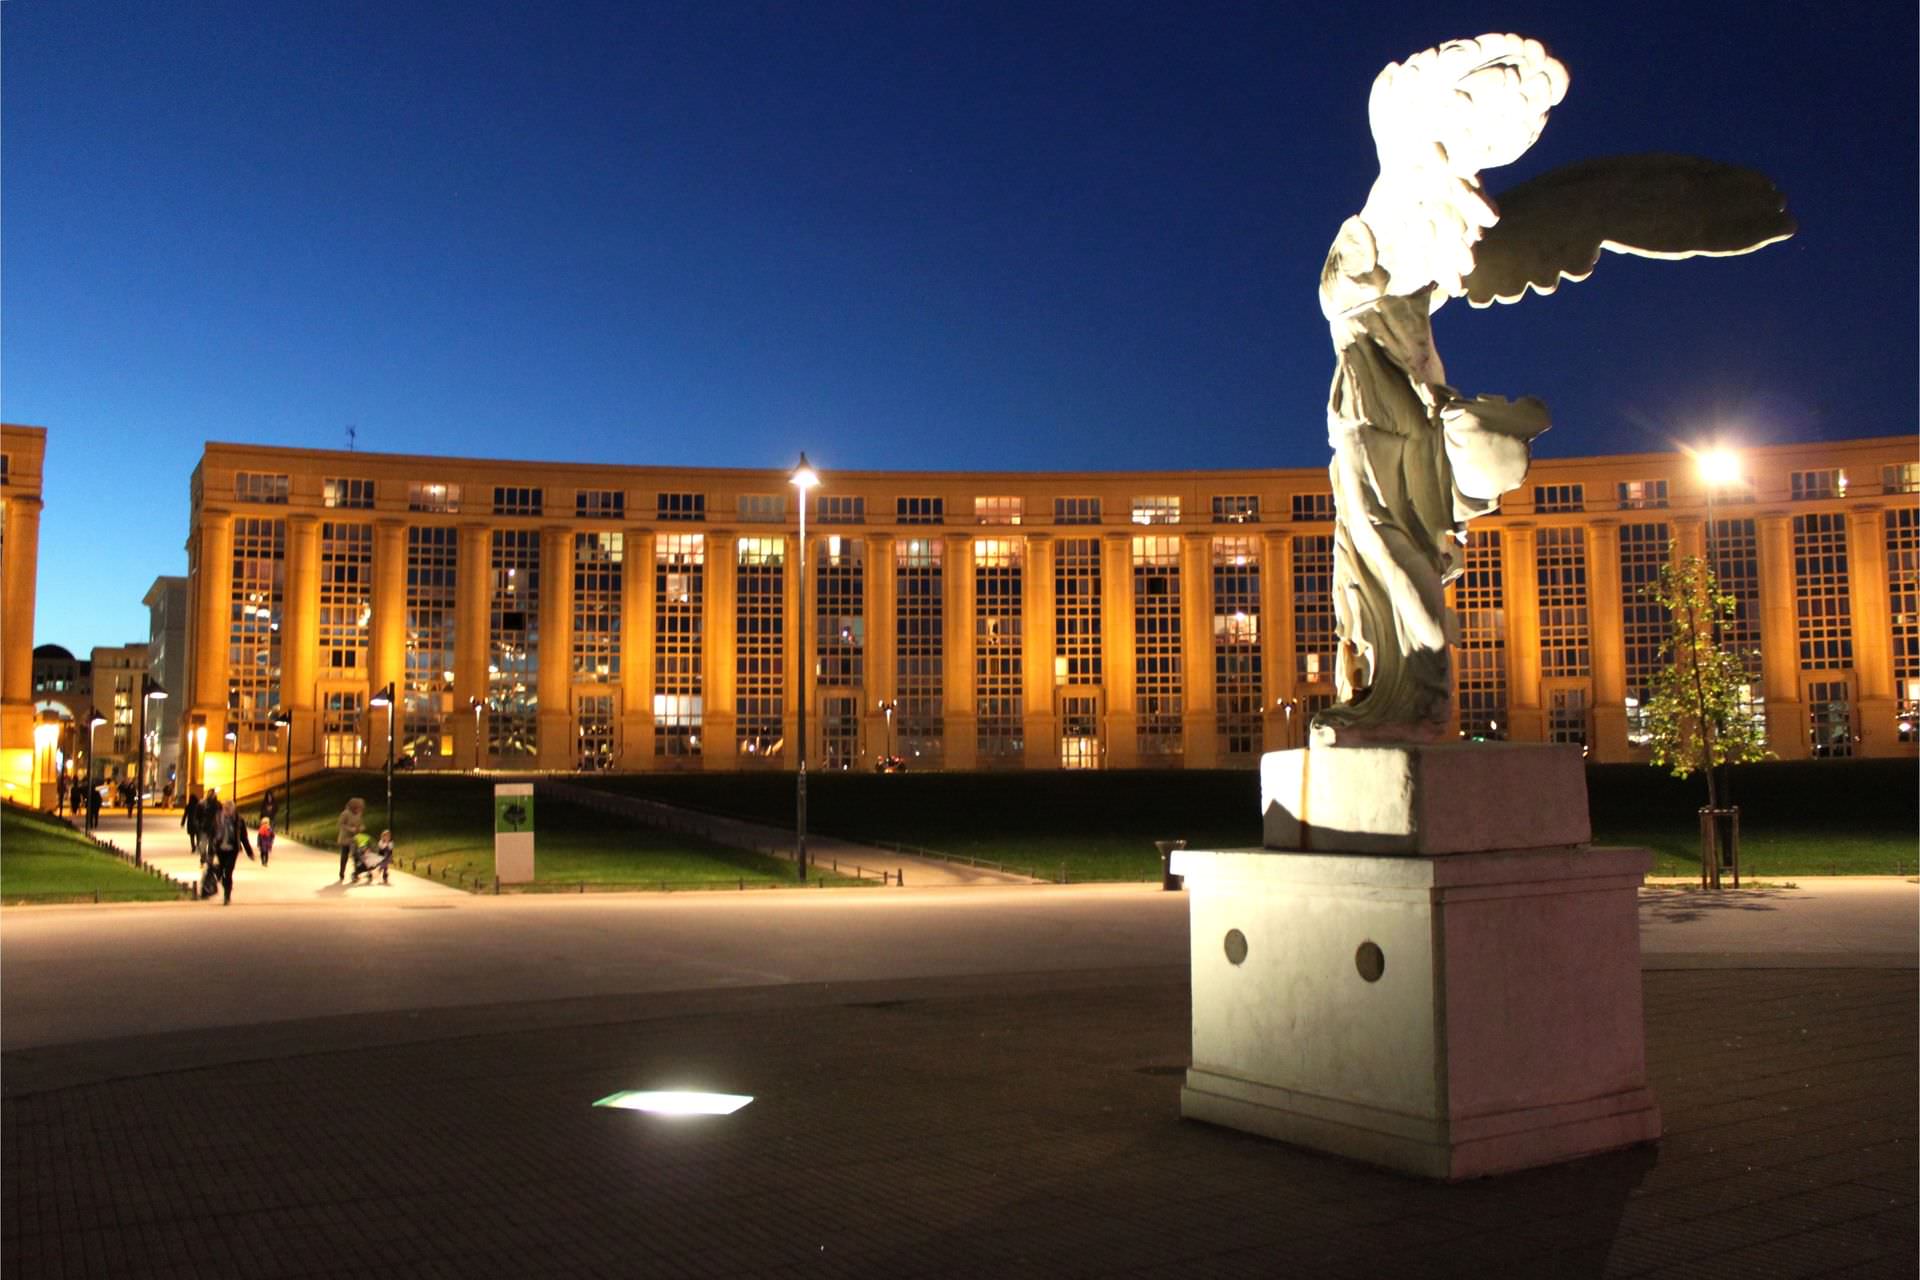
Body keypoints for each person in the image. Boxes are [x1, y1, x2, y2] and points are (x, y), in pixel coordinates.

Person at [208, 800, 255, 905]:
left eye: (229, 810)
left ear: (233, 810)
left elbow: (244, 837)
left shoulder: (238, 820)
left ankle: (227, 895)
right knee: (220, 871)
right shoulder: (217, 819)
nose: (227, 812)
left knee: (228, 872)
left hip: (232, 850)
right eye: (226, 809)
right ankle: (226, 885)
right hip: (220, 849)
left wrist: (249, 852)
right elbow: (212, 836)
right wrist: (210, 853)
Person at [336, 797, 367, 882]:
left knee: (356, 856)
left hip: (355, 839)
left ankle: (356, 873)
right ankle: (342, 872)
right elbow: (340, 824)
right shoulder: (345, 813)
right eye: (358, 807)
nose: (359, 809)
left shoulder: (359, 814)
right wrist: (350, 828)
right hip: (345, 838)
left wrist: (361, 828)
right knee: (344, 856)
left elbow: (361, 824)